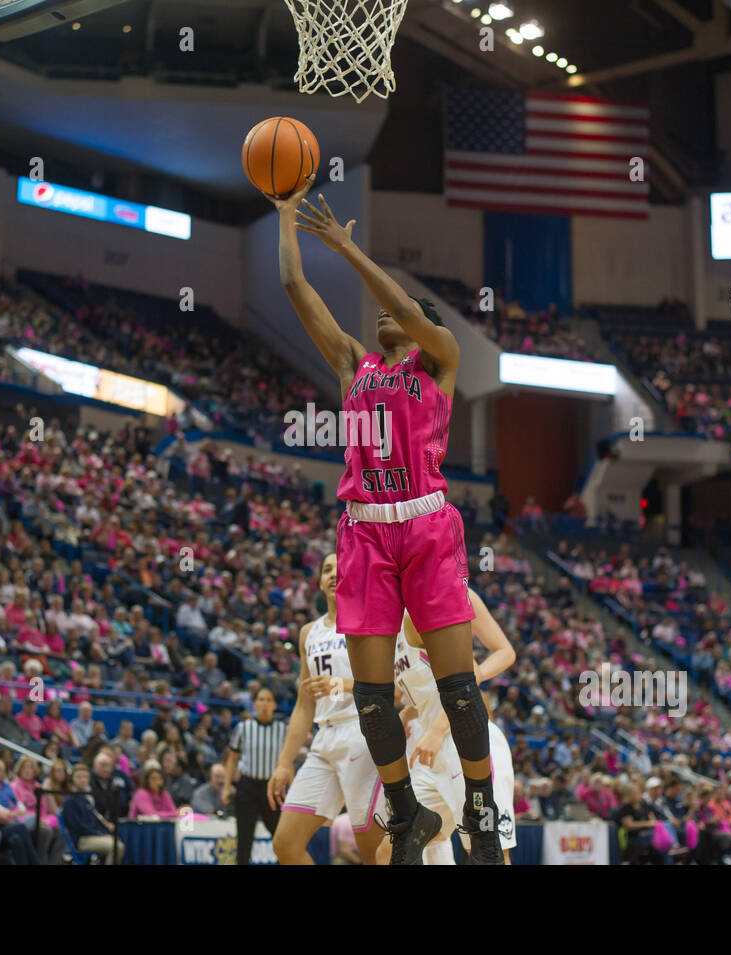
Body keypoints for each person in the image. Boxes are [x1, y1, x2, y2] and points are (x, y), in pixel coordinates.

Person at [269, 176, 500, 863]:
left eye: (395, 313)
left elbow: (398, 301)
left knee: (458, 686)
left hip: (426, 522)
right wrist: (286, 219)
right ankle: (404, 812)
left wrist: (347, 246)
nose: (380, 317)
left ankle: (482, 818)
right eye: (376, 315)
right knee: (372, 694)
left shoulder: (441, 361)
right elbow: (293, 289)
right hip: (365, 525)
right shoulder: (352, 363)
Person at [377, 587, 518, 865]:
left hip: (464, 739)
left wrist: (438, 729)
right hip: (431, 751)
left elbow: (475, 671)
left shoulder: (433, 602)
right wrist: (410, 710)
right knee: (391, 850)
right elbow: (430, 685)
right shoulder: (385, 626)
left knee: (489, 852)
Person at [268, 553, 383, 865]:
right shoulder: (309, 632)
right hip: (323, 738)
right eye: (327, 570)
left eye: (341, 568)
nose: (333, 574)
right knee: (285, 845)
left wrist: (342, 685)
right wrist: (284, 763)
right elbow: (305, 703)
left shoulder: (372, 619)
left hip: (363, 733)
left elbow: (394, 688)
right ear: (319, 582)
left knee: (372, 852)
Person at [223, 687, 287, 865]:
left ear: (274, 705)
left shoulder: (283, 730)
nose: (265, 703)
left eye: (268, 700)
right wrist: (227, 787)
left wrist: (293, 788)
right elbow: (232, 760)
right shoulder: (243, 728)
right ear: (255, 704)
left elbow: (287, 763)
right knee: (244, 838)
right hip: (247, 787)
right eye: (261, 699)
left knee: (280, 838)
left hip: (272, 788)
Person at [61, 762, 121, 863]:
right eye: (79, 777)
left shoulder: (86, 799)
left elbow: (94, 820)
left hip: (92, 835)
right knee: (116, 847)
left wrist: (102, 833)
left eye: (85, 777)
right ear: (72, 779)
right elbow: (78, 826)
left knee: (118, 841)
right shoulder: (69, 801)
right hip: (81, 839)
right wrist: (98, 834)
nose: (82, 780)